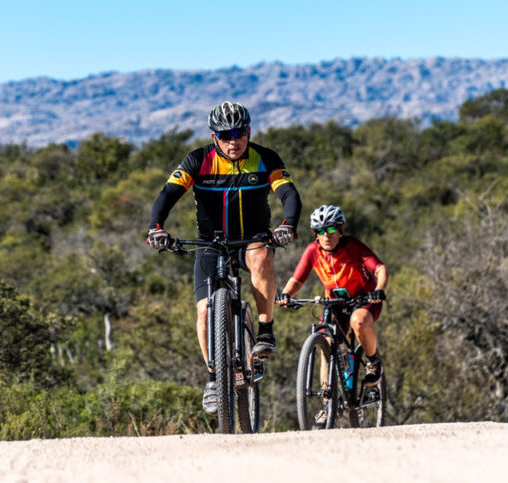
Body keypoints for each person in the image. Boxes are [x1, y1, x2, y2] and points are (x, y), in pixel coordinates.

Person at [146, 101, 302, 415]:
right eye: (226, 134)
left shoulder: (265, 158)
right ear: (215, 136)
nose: (234, 141)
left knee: (261, 258)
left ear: (249, 131)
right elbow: (167, 194)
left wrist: (288, 225)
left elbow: (288, 193)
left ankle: (265, 329)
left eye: (240, 132)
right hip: (210, 244)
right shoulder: (198, 161)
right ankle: (214, 378)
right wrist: (155, 227)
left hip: (251, 239)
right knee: (204, 312)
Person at [276, 204, 388, 396]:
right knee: (325, 342)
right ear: (315, 234)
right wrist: (286, 295)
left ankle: (372, 362)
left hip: (364, 298)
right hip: (335, 302)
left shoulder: (352, 246)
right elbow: (296, 280)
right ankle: (327, 401)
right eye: (320, 230)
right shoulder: (312, 251)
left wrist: (378, 290)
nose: (326, 235)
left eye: (331, 229)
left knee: (358, 322)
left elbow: (380, 269)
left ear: (340, 230)